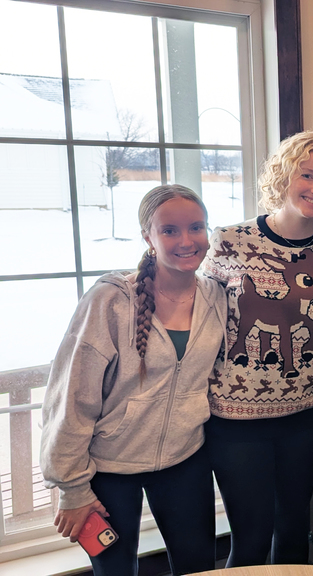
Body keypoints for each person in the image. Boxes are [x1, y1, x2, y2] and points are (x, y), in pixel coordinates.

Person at [41, 185, 226, 576]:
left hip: (184, 459)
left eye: (197, 227)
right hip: (108, 469)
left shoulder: (216, 297)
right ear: (148, 236)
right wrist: (72, 488)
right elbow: (71, 398)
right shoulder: (110, 301)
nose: (187, 240)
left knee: (199, 569)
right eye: (170, 230)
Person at [201, 130, 313, 566]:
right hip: (235, 419)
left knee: (292, 535)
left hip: (306, 418)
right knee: (249, 541)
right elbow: (198, 321)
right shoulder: (230, 241)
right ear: (284, 175)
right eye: (307, 175)